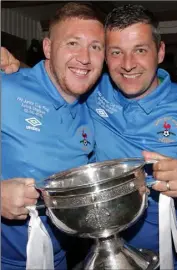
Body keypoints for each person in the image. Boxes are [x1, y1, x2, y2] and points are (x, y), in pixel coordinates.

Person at [2, 4, 177, 270]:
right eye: (116, 52)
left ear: (160, 52)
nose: (127, 65)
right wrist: (15, 67)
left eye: (140, 50)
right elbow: (52, 80)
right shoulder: (91, 90)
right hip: (98, 258)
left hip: (176, 260)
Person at [1, 2, 105, 270]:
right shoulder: (6, 88)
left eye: (95, 46)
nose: (85, 58)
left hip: (59, 260)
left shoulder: (93, 107)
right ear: (47, 48)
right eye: (72, 43)